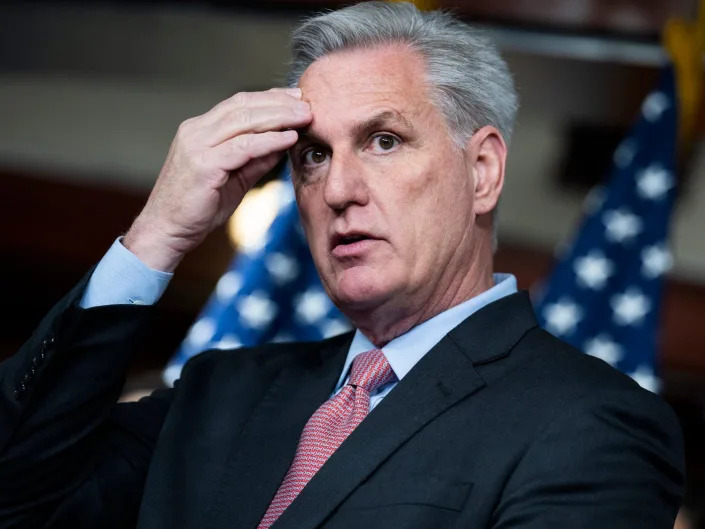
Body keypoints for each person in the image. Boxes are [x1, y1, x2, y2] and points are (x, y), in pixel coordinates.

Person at [0, 2, 684, 528]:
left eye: (383, 140)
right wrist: (154, 237)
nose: (336, 188)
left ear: (481, 170)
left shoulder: (591, 421)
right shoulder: (216, 392)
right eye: (312, 156)